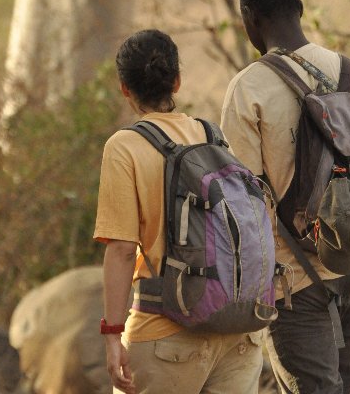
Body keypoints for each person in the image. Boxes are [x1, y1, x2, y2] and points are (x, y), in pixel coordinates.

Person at [221, 0, 350, 394]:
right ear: (299, 7)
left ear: (249, 19)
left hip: (294, 284)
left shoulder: (248, 89)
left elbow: (245, 209)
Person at [93, 29, 263, 394]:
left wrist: (112, 336)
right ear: (177, 81)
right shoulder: (212, 136)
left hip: (164, 337)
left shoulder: (125, 146)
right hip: (238, 333)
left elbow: (122, 250)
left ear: (124, 88)